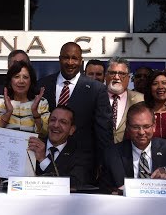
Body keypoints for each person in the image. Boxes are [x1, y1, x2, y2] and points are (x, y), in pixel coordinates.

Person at [37, 42, 112, 184]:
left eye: (74, 58)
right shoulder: (43, 84)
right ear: (59, 59)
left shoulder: (96, 89)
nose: (70, 62)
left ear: (81, 61)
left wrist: (104, 164)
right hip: (44, 159)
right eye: (66, 57)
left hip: (81, 166)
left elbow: (104, 131)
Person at [100, 102, 166, 194]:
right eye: (136, 127)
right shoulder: (113, 153)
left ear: (154, 127)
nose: (141, 132)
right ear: (128, 128)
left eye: (146, 126)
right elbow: (103, 189)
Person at [27, 105, 94, 189]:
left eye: (63, 122)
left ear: (71, 130)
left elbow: (75, 183)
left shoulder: (80, 154)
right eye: (53, 120)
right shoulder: (32, 144)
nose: (56, 125)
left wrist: (43, 160)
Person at [0, 61, 50, 136]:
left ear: (31, 81)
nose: (21, 81)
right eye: (16, 77)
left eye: (25, 77)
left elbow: (46, 134)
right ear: (10, 80)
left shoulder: (41, 102)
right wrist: (8, 113)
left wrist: (35, 114)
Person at [106, 57, 143, 143]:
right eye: (112, 73)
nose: (116, 77)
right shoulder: (96, 97)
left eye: (122, 74)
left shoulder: (140, 99)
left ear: (128, 78)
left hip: (128, 152)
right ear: (106, 76)